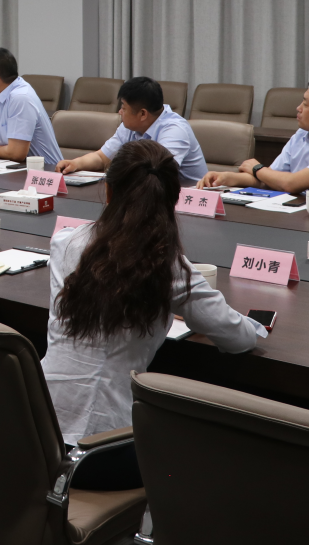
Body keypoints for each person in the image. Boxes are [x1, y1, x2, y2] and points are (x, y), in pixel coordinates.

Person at [43, 140, 263, 490]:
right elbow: (237, 338)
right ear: (173, 200)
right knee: (209, 444)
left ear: (108, 191)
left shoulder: (65, 244)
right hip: (99, 454)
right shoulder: (167, 266)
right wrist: (257, 326)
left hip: (37, 434)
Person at [198, 75, 309, 202]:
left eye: (305, 104)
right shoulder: (302, 134)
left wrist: (257, 168)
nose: (298, 108)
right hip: (301, 212)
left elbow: (290, 184)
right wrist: (227, 178)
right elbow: (270, 179)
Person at [55, 76, 207, 185]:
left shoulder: (175, 130)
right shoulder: (131, 126)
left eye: (124, 108)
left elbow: (159, 174)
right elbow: (102, 157)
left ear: (142, 114)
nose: (120, 112)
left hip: (188, 202)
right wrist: (76, 163)